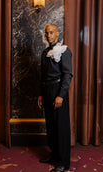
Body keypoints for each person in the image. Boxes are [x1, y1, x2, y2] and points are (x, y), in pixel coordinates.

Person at [38, 24, 73, 172]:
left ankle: (63, 162)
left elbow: (67, 75)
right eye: (46, 33)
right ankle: (54, 155)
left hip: (58, 91)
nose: (48, 35)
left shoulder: (64, 51)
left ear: (57, 33)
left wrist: (61, 95)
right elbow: (43, 76)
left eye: (51, 32)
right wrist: (41, 94)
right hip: (47, 91)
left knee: (61, 128)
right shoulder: (45, 52)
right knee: (51, 126)